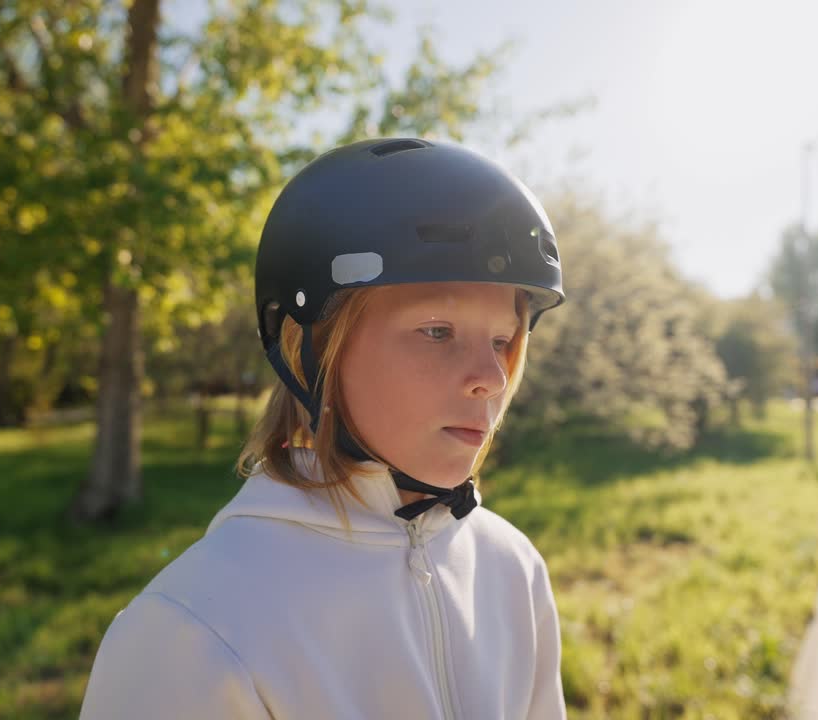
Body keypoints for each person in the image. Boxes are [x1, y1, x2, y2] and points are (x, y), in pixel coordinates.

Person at [78, 137, 568, 719]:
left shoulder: (513, 569)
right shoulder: (194, 632)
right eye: (437, 331)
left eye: (502, 341)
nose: (490, 377)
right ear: (308, 347)